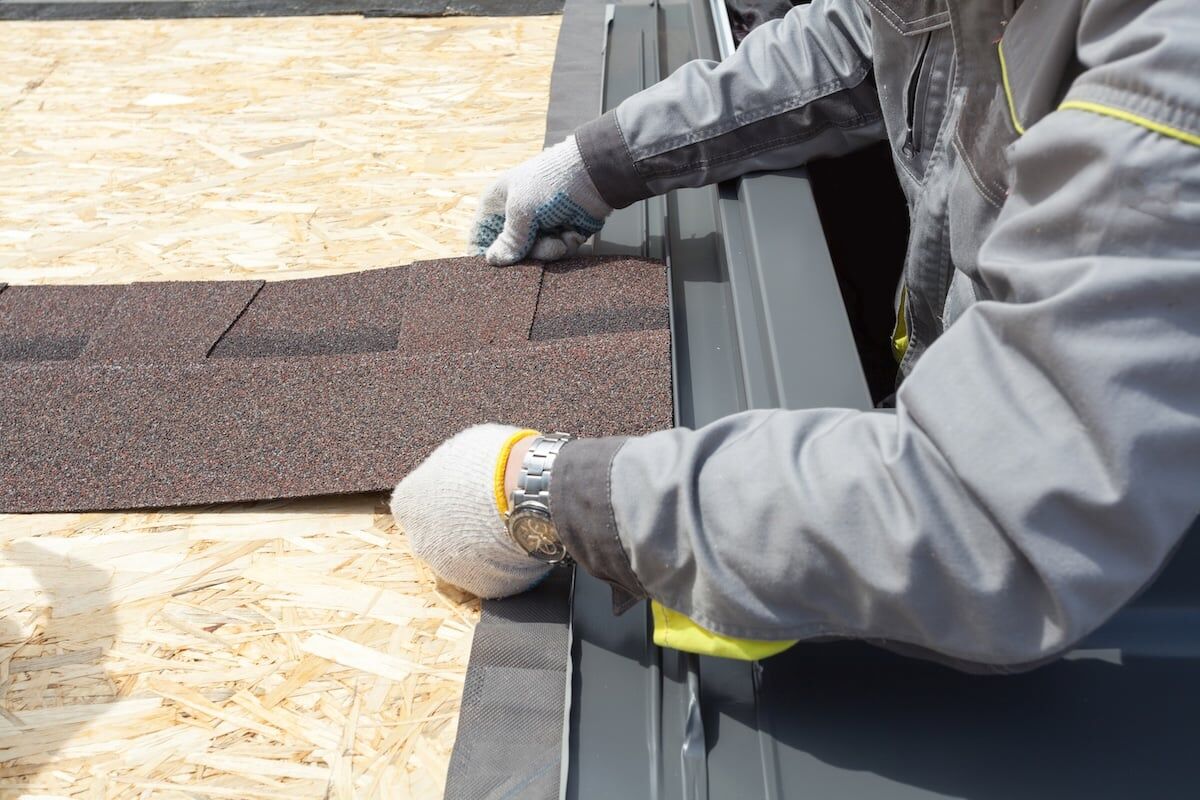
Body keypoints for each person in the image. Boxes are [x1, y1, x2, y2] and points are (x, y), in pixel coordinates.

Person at [391, 0, 1200, 670]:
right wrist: (606, 159)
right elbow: (863, 37)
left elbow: (999, 513)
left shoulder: (1173, 57)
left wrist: (551, 499)